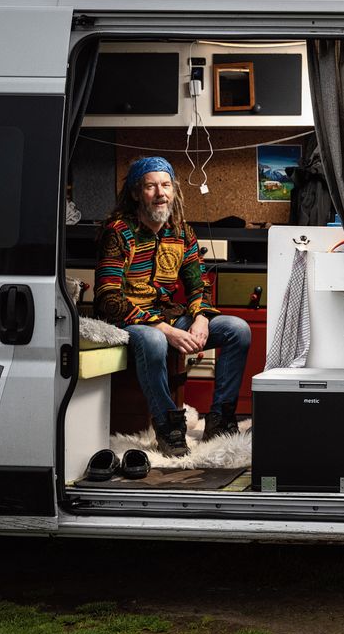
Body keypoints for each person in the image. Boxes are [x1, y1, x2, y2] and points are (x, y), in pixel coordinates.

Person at [95, 157, 251, 457]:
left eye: (165, 185)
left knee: (236, 329)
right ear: (136, 193)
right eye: (151, 186)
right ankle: (168, 426)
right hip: (129, 319)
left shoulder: (182, 233)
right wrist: (163, 329)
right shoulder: (118, 232)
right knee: (154, 339)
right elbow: (107, 296)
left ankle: (219, 420)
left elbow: (199, 284)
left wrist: (201, 318)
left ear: (174, 191)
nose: (160, 193)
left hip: (167, 315)